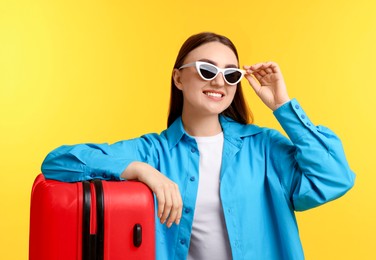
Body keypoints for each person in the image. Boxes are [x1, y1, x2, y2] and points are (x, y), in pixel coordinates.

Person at [41, 32, 355, 259]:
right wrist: (139, 170)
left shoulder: (263, 147)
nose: (219, 82)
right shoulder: (153, 153)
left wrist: (283, 106)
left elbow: (335, 176)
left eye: (230, 75)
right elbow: (57, 162)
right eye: (207, 70)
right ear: (178, 78)